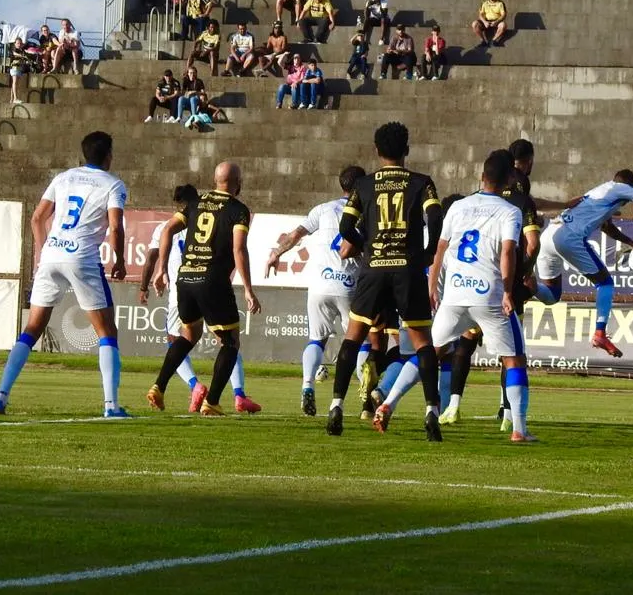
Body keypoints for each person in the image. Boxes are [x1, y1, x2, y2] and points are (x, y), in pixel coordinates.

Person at [381, 151, 533, 442]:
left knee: (430, 352)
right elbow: (507, 252)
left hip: (454, 295)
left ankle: (389, 402)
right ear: (509, 179)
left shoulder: (459, 207)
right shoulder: (510, 211)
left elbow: (439, 249)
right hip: (488, 296)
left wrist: (431, 288)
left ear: (482, 176)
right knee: (514, 360)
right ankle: (519, 429)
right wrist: (508, 291)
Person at [0, 132, 129, 417]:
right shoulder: (113, 184)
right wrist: (120, 260)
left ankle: (0, 397)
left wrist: (43, 252)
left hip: (51, 254)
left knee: (32, 329)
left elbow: (37, 218)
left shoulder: (63, 178)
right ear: (109, 156)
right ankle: (111, 406)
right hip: (82, 257)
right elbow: (116, 227)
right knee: (106, 332)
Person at [326, 122, 445, 440]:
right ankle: (431, 411)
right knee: (422, 343)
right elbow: (435, 216)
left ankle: (336, 406)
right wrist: (429, 251)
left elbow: (345, 226)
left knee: (353, 337)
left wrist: (366, 245)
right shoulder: (421, 182)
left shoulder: (364, 185)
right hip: (408, 269)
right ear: (407, 149)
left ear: (377, 150)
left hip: (374, 268)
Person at [147, 163, 263, 416]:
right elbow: (239, 249)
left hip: (185, 279)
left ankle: (159, 386)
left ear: (215, 180)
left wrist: (161, 269)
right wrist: (248, 289)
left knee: (189, 335)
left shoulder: (196, 203)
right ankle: (212, 401)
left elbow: (167, 229)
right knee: (230, 341)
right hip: (213, 280)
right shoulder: (238, 209)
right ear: (237, 183)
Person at [535, 170, 633, 357]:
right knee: (605, 283)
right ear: (629, 186)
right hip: (568, 238)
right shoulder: (620, 188)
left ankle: (526, 285)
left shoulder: (601, 191)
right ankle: (600, 333)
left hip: (549, 234)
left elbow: (606, 226)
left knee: (551, 295)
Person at [267, 166, 368, 416]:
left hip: (320, 286)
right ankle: (367, 396)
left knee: (316, 340)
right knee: (361, 342)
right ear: (361, 186)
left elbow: (295, 235)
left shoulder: (323, 209)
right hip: (350, 286)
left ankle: (307, 385)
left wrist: (276, 253)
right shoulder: (366, 211)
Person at [7, 37, 32, 104]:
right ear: (15, 44)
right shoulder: (13, 49)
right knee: (15, 82)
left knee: (15, 83)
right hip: (14, 68)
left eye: (20, 43)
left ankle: (12, 99)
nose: (19, 45)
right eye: (18, 43)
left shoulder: (22, 51)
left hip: (19, 68)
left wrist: (25, 57)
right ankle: (15, 98)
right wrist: (22, 56)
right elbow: (14, 53)